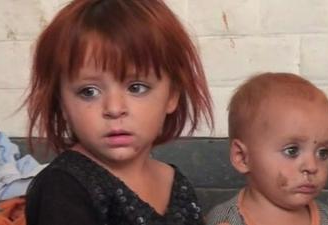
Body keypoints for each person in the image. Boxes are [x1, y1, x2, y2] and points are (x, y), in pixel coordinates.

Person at [24, 0, 214, 225]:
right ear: (62, 103)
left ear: (172, 95)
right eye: (89, 92)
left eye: (136, 88)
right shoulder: (63, 188)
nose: (114, 109)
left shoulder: (174, 181)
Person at [206, 72, 328, 225]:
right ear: (242, 157)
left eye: (323, 152)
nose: (312, 166)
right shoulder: (226, 221)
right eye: (292, 151)